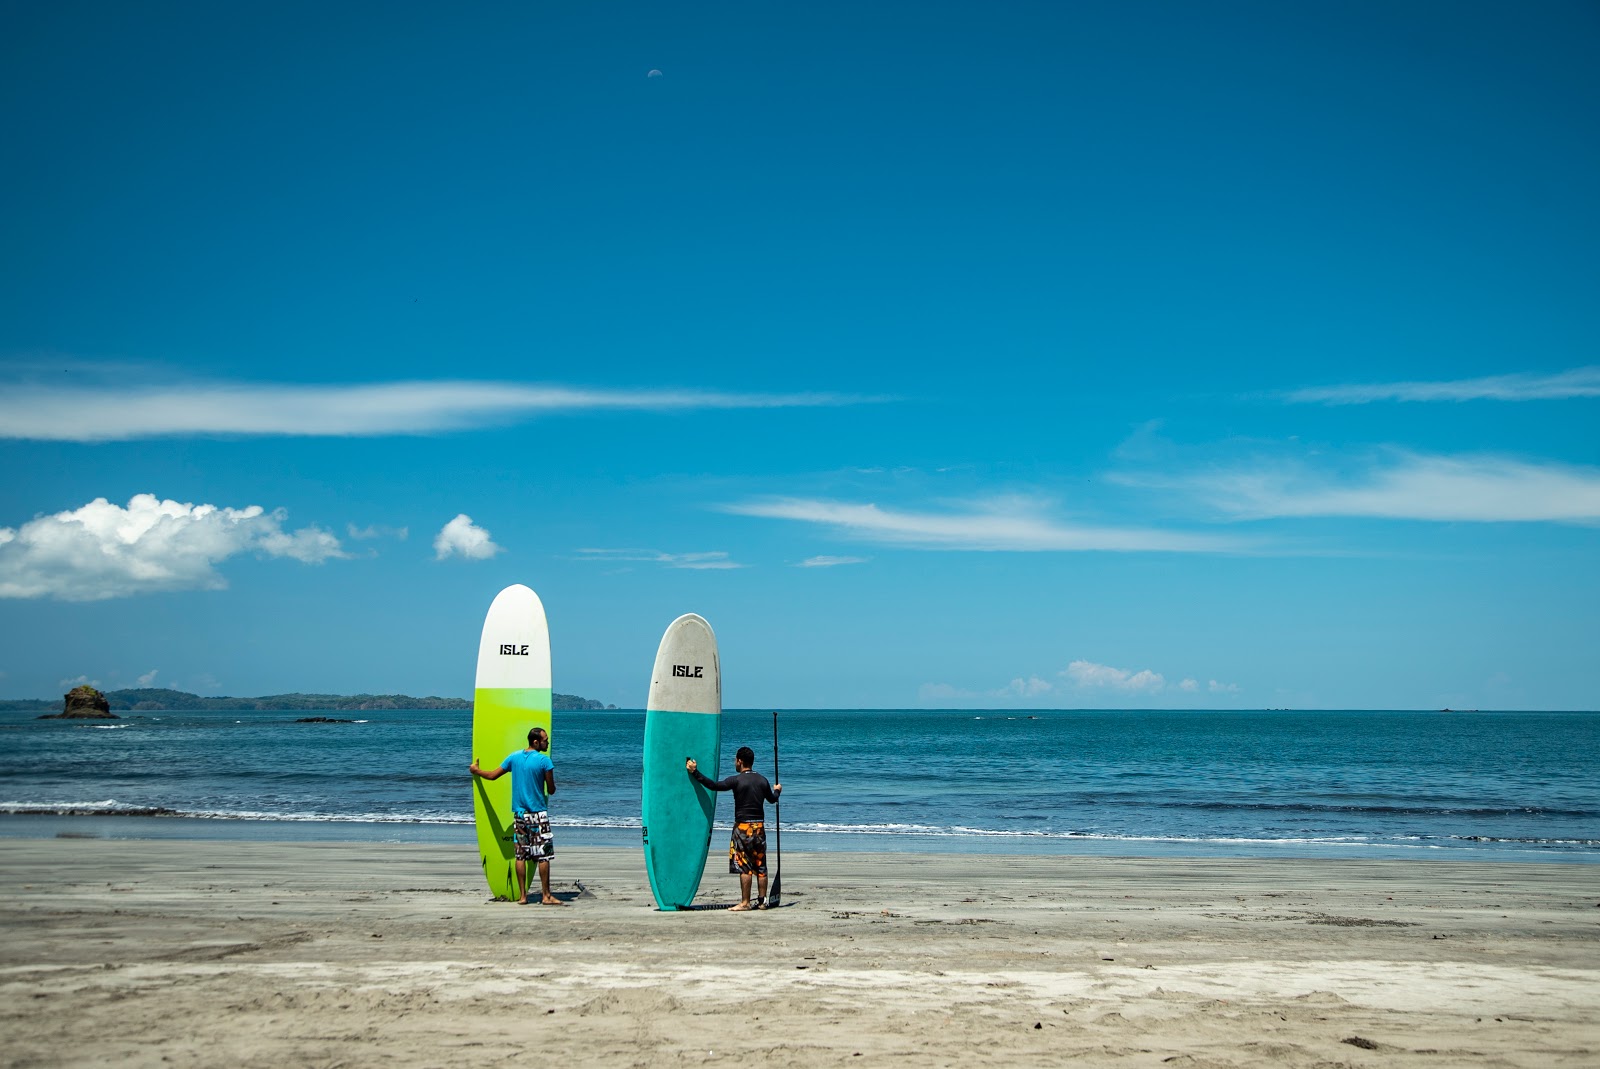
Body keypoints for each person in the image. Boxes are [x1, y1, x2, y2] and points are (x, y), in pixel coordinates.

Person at [469, 727, 563, 905]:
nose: (547, 742)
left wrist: (476, 770)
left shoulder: (514, 757)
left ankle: (522, 897)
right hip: (537, 815)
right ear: (536, 742)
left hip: (519, 815)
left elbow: (492, 776)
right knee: (543, 856)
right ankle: (546, 896)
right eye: (545, 740)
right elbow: (551, 790)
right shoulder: (545, 761)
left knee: (520, 855)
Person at [686, 746, 782, 911]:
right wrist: (777, 791)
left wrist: (695, 772)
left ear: (740, 761)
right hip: (759, 827)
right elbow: (773, 800)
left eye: (735, 760)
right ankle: (761, 902)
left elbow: (713, 785)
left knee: (744, 865)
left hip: (743, 828)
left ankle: (745, 903)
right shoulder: (762, 780)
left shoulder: (736, 780)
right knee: (760, 865)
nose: (734, 762)